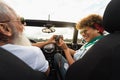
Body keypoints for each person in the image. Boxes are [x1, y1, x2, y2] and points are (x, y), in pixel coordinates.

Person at [0, 0, 55, 76]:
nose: (24, 24)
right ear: (5, 28)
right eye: (20, 21)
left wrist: (47, 42)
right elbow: (46, 73)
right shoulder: (34, 53)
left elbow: (26, 47)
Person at [54, 14, 105, 80]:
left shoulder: (98, 46)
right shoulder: (90, 42)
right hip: (78, 69)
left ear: (97, 29)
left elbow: (76, 70)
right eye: (81, 32)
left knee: (57, 56)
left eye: (85, 31)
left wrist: (66, 50)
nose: (83, 34)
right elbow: (77, 53)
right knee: (58, 55)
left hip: (76, 74)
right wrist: (63, 46)